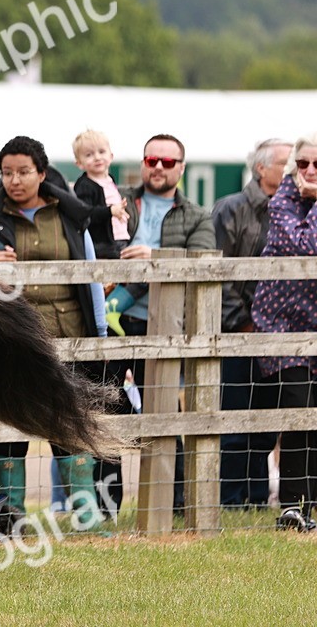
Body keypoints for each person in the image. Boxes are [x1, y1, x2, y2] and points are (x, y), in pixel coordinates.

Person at [0, 136, 108, 521]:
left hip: (70, 340)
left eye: (23, 172)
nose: (15, 180)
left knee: (71, 422)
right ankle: (13, 516)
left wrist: (101, 337)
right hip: (10, 345)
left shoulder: (71, 221)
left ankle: (86, 517)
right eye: (7, 172)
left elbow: (91, 279)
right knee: (9, 425)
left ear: (42, 173)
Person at [107, 134, 215, 515]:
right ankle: (105, 507)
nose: (158, 167)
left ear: (181, 169)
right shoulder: (115, 199)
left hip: (166, 327)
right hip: (111, 324)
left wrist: (156, 257)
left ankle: (175, 502)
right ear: (143, 163)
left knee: (167, 412)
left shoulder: (198, 215)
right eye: (152, 159)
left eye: (168, 162)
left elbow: (205, 261)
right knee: (107, 411)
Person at [212, 138, 291, 509]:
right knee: (234, 421)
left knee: (267, 424)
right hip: (238, 334)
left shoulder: (299, 210)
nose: (294, 171)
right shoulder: (231, 209)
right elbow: (219, 273)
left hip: (282, 335)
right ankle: (229, 499)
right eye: (286, 163)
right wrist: (244, 324)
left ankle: (258, 499)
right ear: (261, 168)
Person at [251, 133, 317, 532]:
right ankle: (293, 507)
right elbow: (305, 245)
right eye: (303, 164)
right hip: (285, 326)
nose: (309, 172)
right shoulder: (281, 204)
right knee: (298, 415)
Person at [71, 129, 129, 260]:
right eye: (89, 155)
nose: (97, 157)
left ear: (111, 156)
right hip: (101, 245)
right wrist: (110, 211)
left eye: (101, 152)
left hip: (119, 238)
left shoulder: (110, 180)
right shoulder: (85, 186)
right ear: (79, 163)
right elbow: (85, 213)